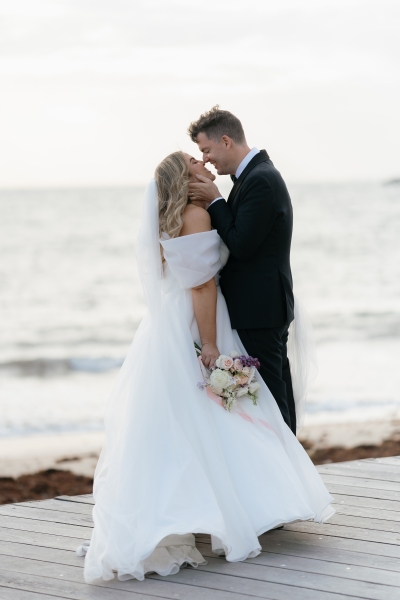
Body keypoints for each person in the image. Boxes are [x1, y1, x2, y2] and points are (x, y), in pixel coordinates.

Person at [77, 150, 333, 583]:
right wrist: (211, 343)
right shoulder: (195, 216)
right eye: (196, 163)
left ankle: (205, 507)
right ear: (185, 176)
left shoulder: (173, 215)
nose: (206, 164)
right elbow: (201, 286)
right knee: (218, 414)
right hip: (198, 323)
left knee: (187, 418)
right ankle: (231, 509)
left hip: (175, 321)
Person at [188, 106, 297, 434]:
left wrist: (215, 201)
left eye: (206, 149)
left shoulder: (260, 180)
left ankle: (286, 460)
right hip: (261, 307)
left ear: (226, 141)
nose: (205, 159)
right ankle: (289, 459)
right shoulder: (254, 176)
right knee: (275, 394)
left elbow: (242, 244)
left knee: (272, 399)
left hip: (259, 310)